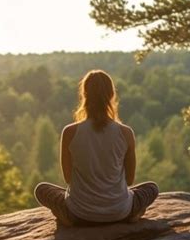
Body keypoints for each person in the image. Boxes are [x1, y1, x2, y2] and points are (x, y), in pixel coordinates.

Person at [34, 69, 159, 226]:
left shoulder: (69, 132)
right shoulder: (126, 133)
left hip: (79, 212)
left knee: (41, 189)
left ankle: (68, 217)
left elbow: (68, 179)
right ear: (111, 95)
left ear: (84, 95)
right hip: (119, 212)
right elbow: (129, 180)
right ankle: (133, 214)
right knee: (152, 188)